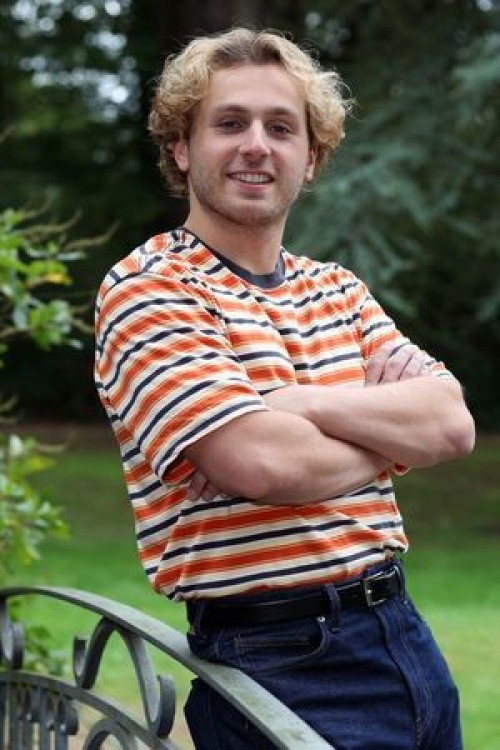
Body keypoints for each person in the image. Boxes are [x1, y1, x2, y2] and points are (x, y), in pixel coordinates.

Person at [94, 27, 475, 750]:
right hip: (277, 662)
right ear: (181, 146)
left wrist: (301, 404)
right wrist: (392, 437)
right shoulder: (150, 289)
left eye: (280, 127)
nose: (256, 146)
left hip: (404, 636)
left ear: (311, 158)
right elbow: (266, 464)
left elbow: (452, 424)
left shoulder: (338, 289)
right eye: (229, 123)